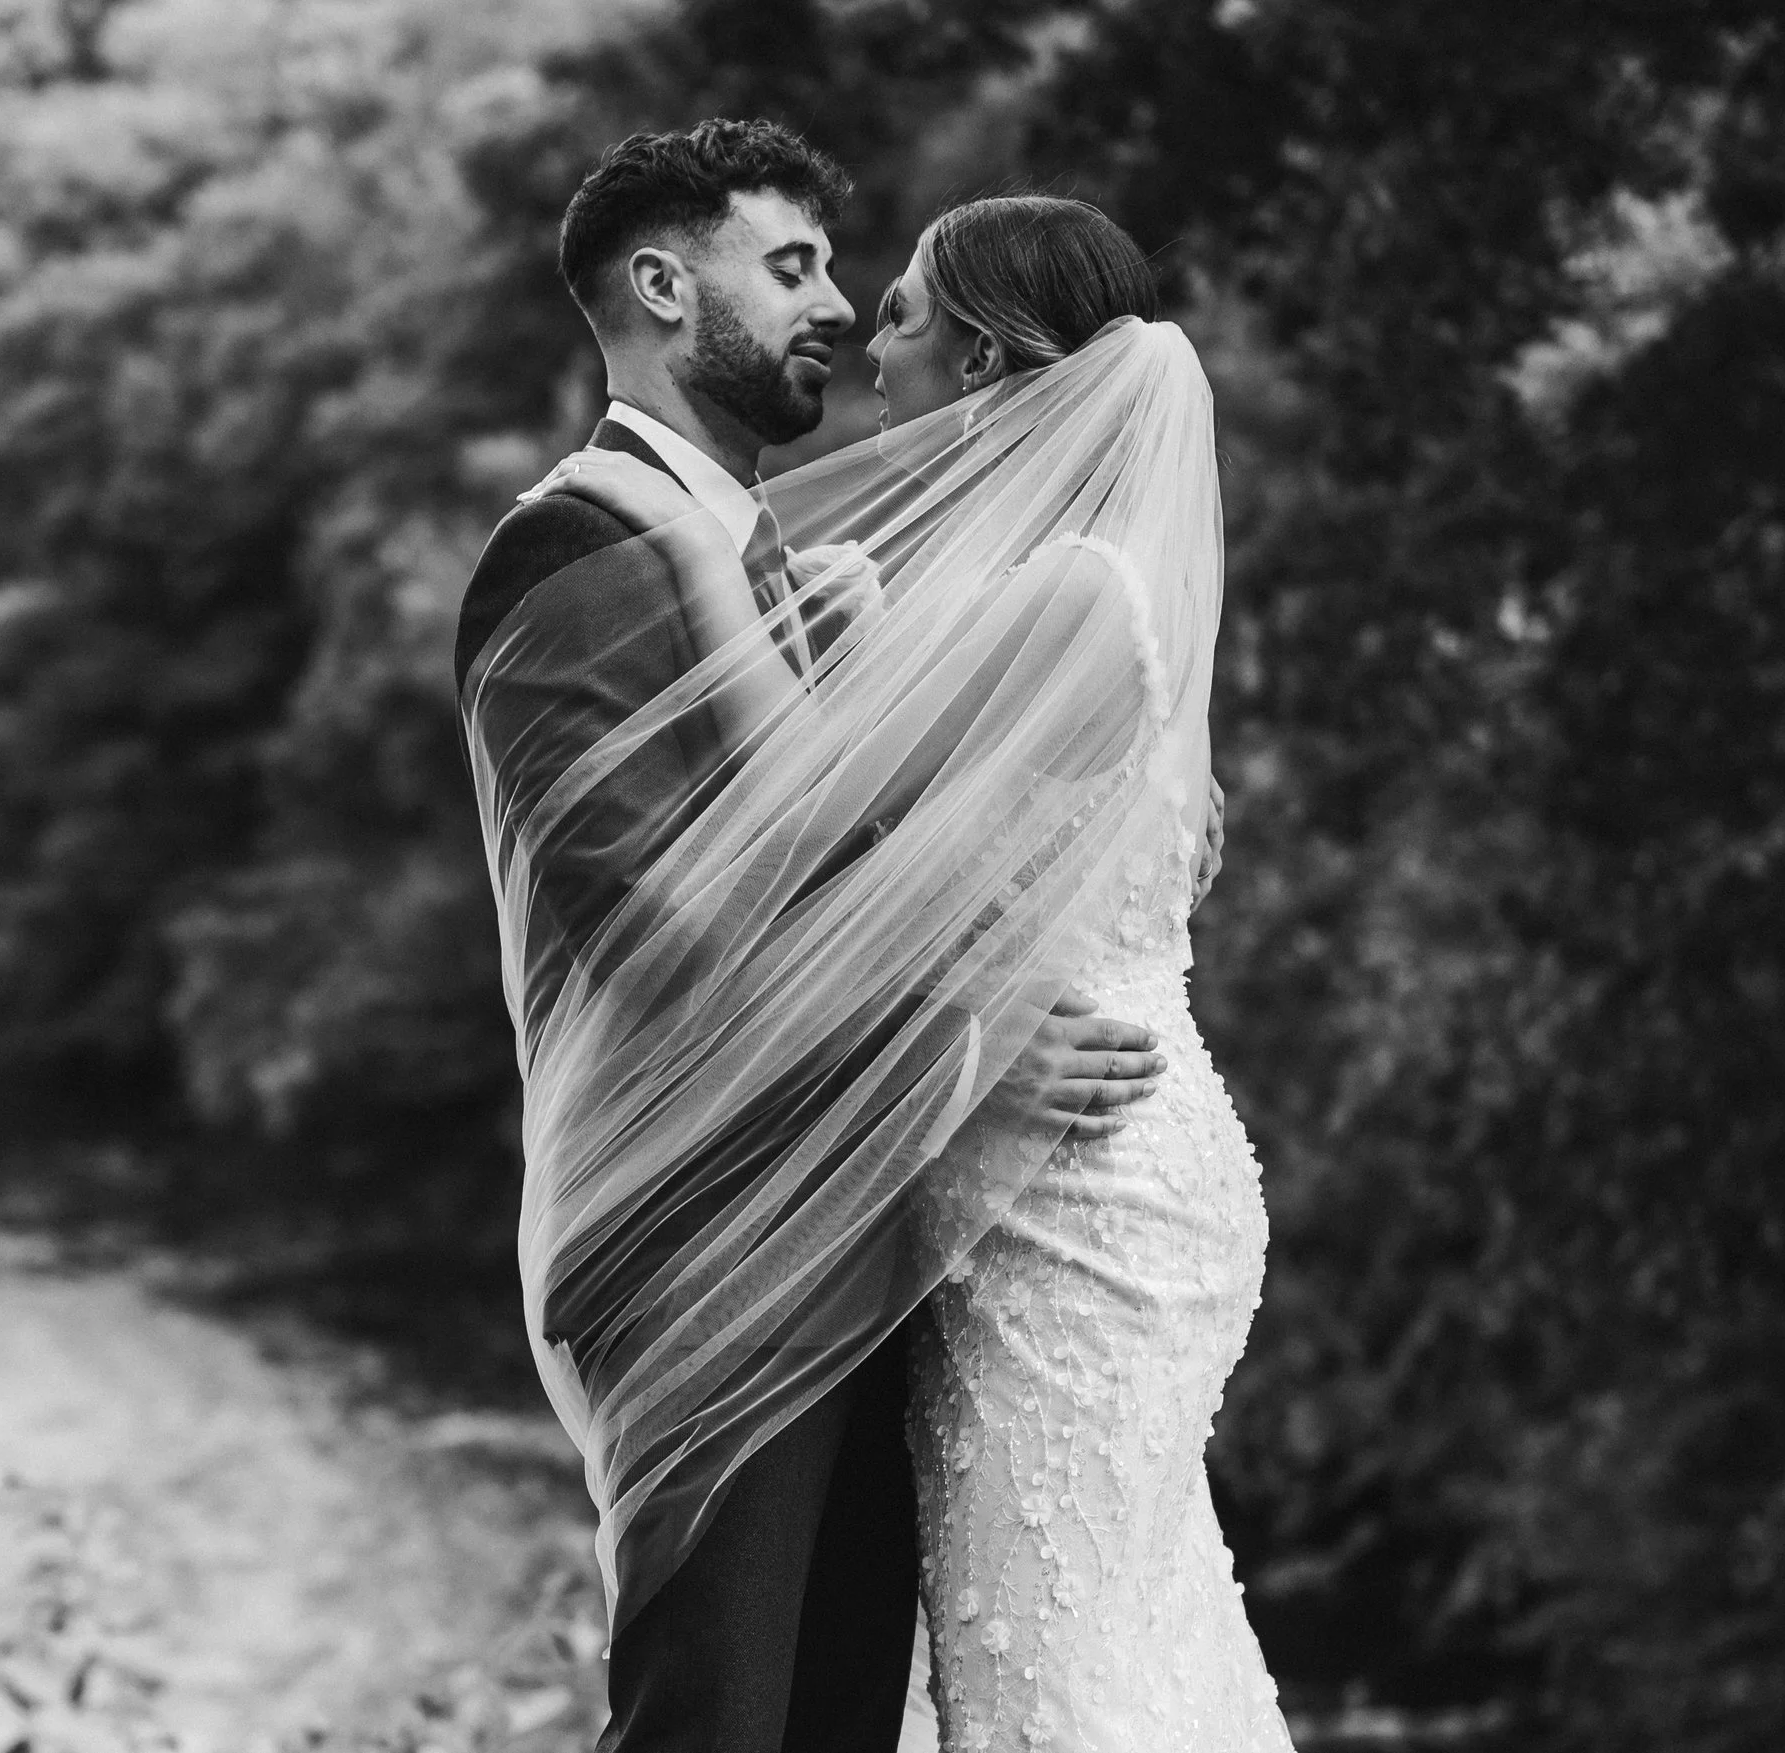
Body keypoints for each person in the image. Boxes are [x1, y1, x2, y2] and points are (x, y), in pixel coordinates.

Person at [518, 190, 1288, 1750]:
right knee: (1057, 1633)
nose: (872, 326)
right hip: (1004, 1160)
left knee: (1057, 1655)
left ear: (993, 352)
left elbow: (822, 823)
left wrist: (781, 614)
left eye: (905, 306)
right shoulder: (1038, 584)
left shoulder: (1073, 594)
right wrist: (857, 632)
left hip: (1078, 1177)